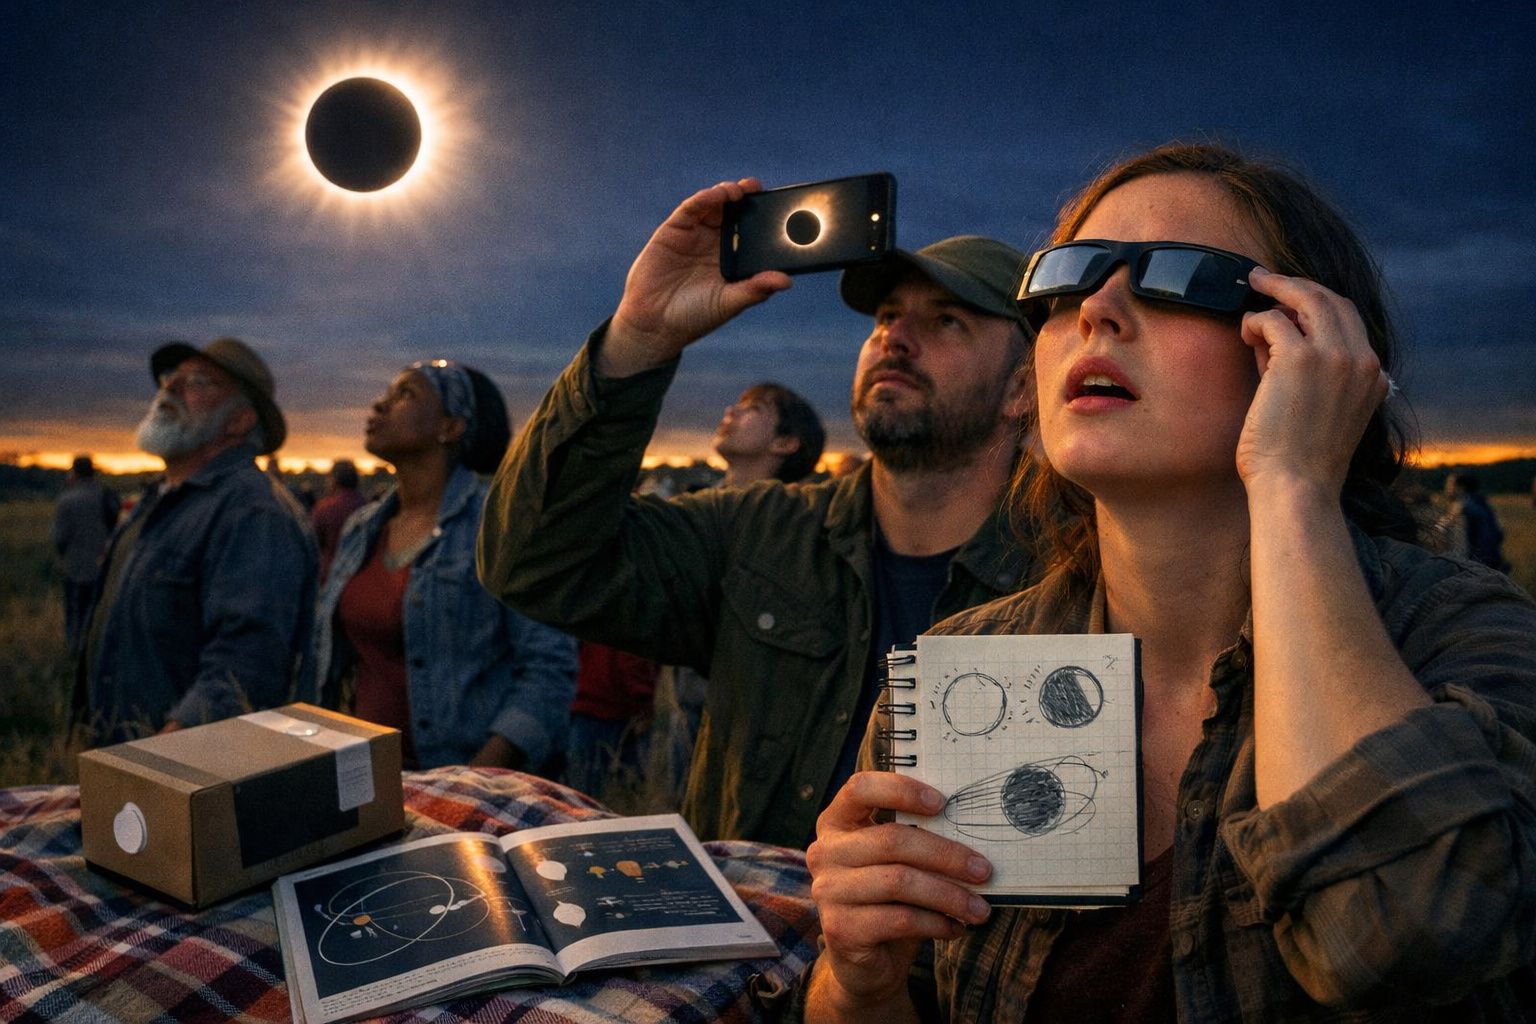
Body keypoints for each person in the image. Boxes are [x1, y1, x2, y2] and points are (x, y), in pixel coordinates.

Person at [801, 143, 1536, 1020]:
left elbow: (1394, 936)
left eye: (1178, 278)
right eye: (1066, 277)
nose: (1097, 311)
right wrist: (858, 980)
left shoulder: (1463, 638)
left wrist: (1294, 482)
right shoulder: (961, 668)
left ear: (1316, 348)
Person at [478, 179, 1036, 847]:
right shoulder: (759, 532)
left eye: (947, 321)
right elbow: (534, 560)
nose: (895, 338)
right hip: (749, 914)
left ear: (1022, 388)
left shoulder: (1075, 574)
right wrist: (639, 337)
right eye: (887, 316)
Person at [313, 360, 577, 771]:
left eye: (406, 394)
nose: (380, 405)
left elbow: (549, 668)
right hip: (368, 776)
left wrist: (474, 778)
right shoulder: (361, 529)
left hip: (464, 778)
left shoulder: (500, 525)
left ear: (451, 427)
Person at [75, 338, 316, 744]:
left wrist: (161, 760)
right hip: (122, 761)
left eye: (199, 381)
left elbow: (244, 668)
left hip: (172, 769)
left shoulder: (252, 512)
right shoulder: (160, 501)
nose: (169, 387)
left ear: (239, 420)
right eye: (172, 377)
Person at [649, 380, 829, 806]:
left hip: (753, 725)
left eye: (753, 409)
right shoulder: (695, 513)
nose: (732, 411)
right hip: (687, 709)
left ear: (786, 443)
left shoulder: (796, 529)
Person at [51, 454, 119, 653]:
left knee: (75, 611)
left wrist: (64, 555)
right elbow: (115, 527)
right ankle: (95, 648)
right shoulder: (106, 495)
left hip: (75, 567)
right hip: (103, 565)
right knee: (98, 611)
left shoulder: (66, 499)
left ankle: (75, 649)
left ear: (74, 473)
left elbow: (59, 537)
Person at [1439, 472, 1511, 572]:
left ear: (1461, 488)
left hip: (1472, 568)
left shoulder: (1461, 508)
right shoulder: (1485, 506)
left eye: (1449, 485)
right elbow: (1499, 534)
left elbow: (1441, 533)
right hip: (1492, 565)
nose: (1446, 489)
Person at [311, 458, 369, 581]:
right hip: (361, 576)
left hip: (329, 576)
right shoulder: (369, 507)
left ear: (334, 480)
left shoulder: (324, 508)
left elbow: (313, 544)